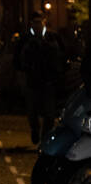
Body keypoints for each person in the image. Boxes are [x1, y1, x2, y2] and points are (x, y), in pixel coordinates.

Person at [18, 13, 65, 146]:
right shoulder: (26, 39)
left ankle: (44, 137)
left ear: (44, 22)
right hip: (32, 81)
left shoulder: (53, 37)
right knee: (32, 112)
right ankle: (35, 129)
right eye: (35, 22)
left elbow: (62, 55)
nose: (37, 25)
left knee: (49, 114)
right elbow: (18, 59)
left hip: (48, 81)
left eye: (39, 22)